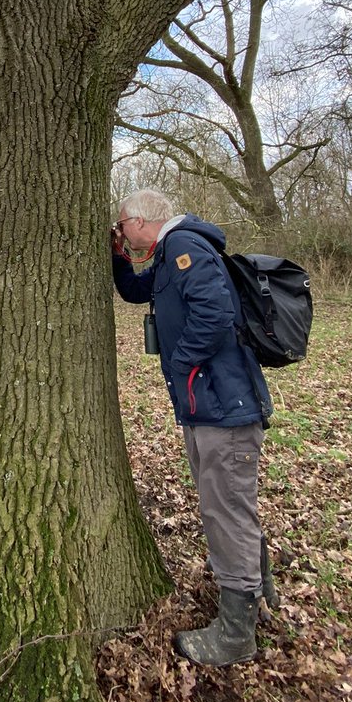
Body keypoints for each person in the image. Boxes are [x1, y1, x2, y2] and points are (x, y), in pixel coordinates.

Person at [111, 189, 277, 666]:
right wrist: (118, 255)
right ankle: (260, 591)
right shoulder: (167, 257)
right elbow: (134, 291)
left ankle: (235, 634)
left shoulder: (187, 248)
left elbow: (215, 314)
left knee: (225, 511)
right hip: (207, 405)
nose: (122, 233)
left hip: (224, 407)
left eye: (123, 227)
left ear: (142, 220)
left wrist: (181, 364)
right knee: (230, 505)